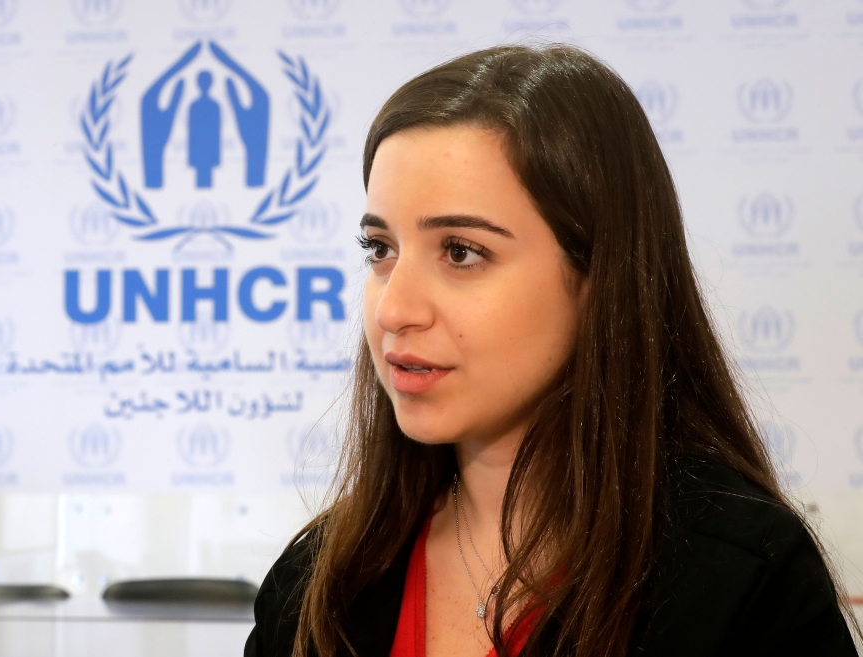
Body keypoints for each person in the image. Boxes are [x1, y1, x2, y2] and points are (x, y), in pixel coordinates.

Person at [244, 44, 860, 657]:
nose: (393, 309)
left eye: (461, 251)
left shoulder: (741, 582)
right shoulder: (317, 585)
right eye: (381, 249)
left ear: (600, 277)